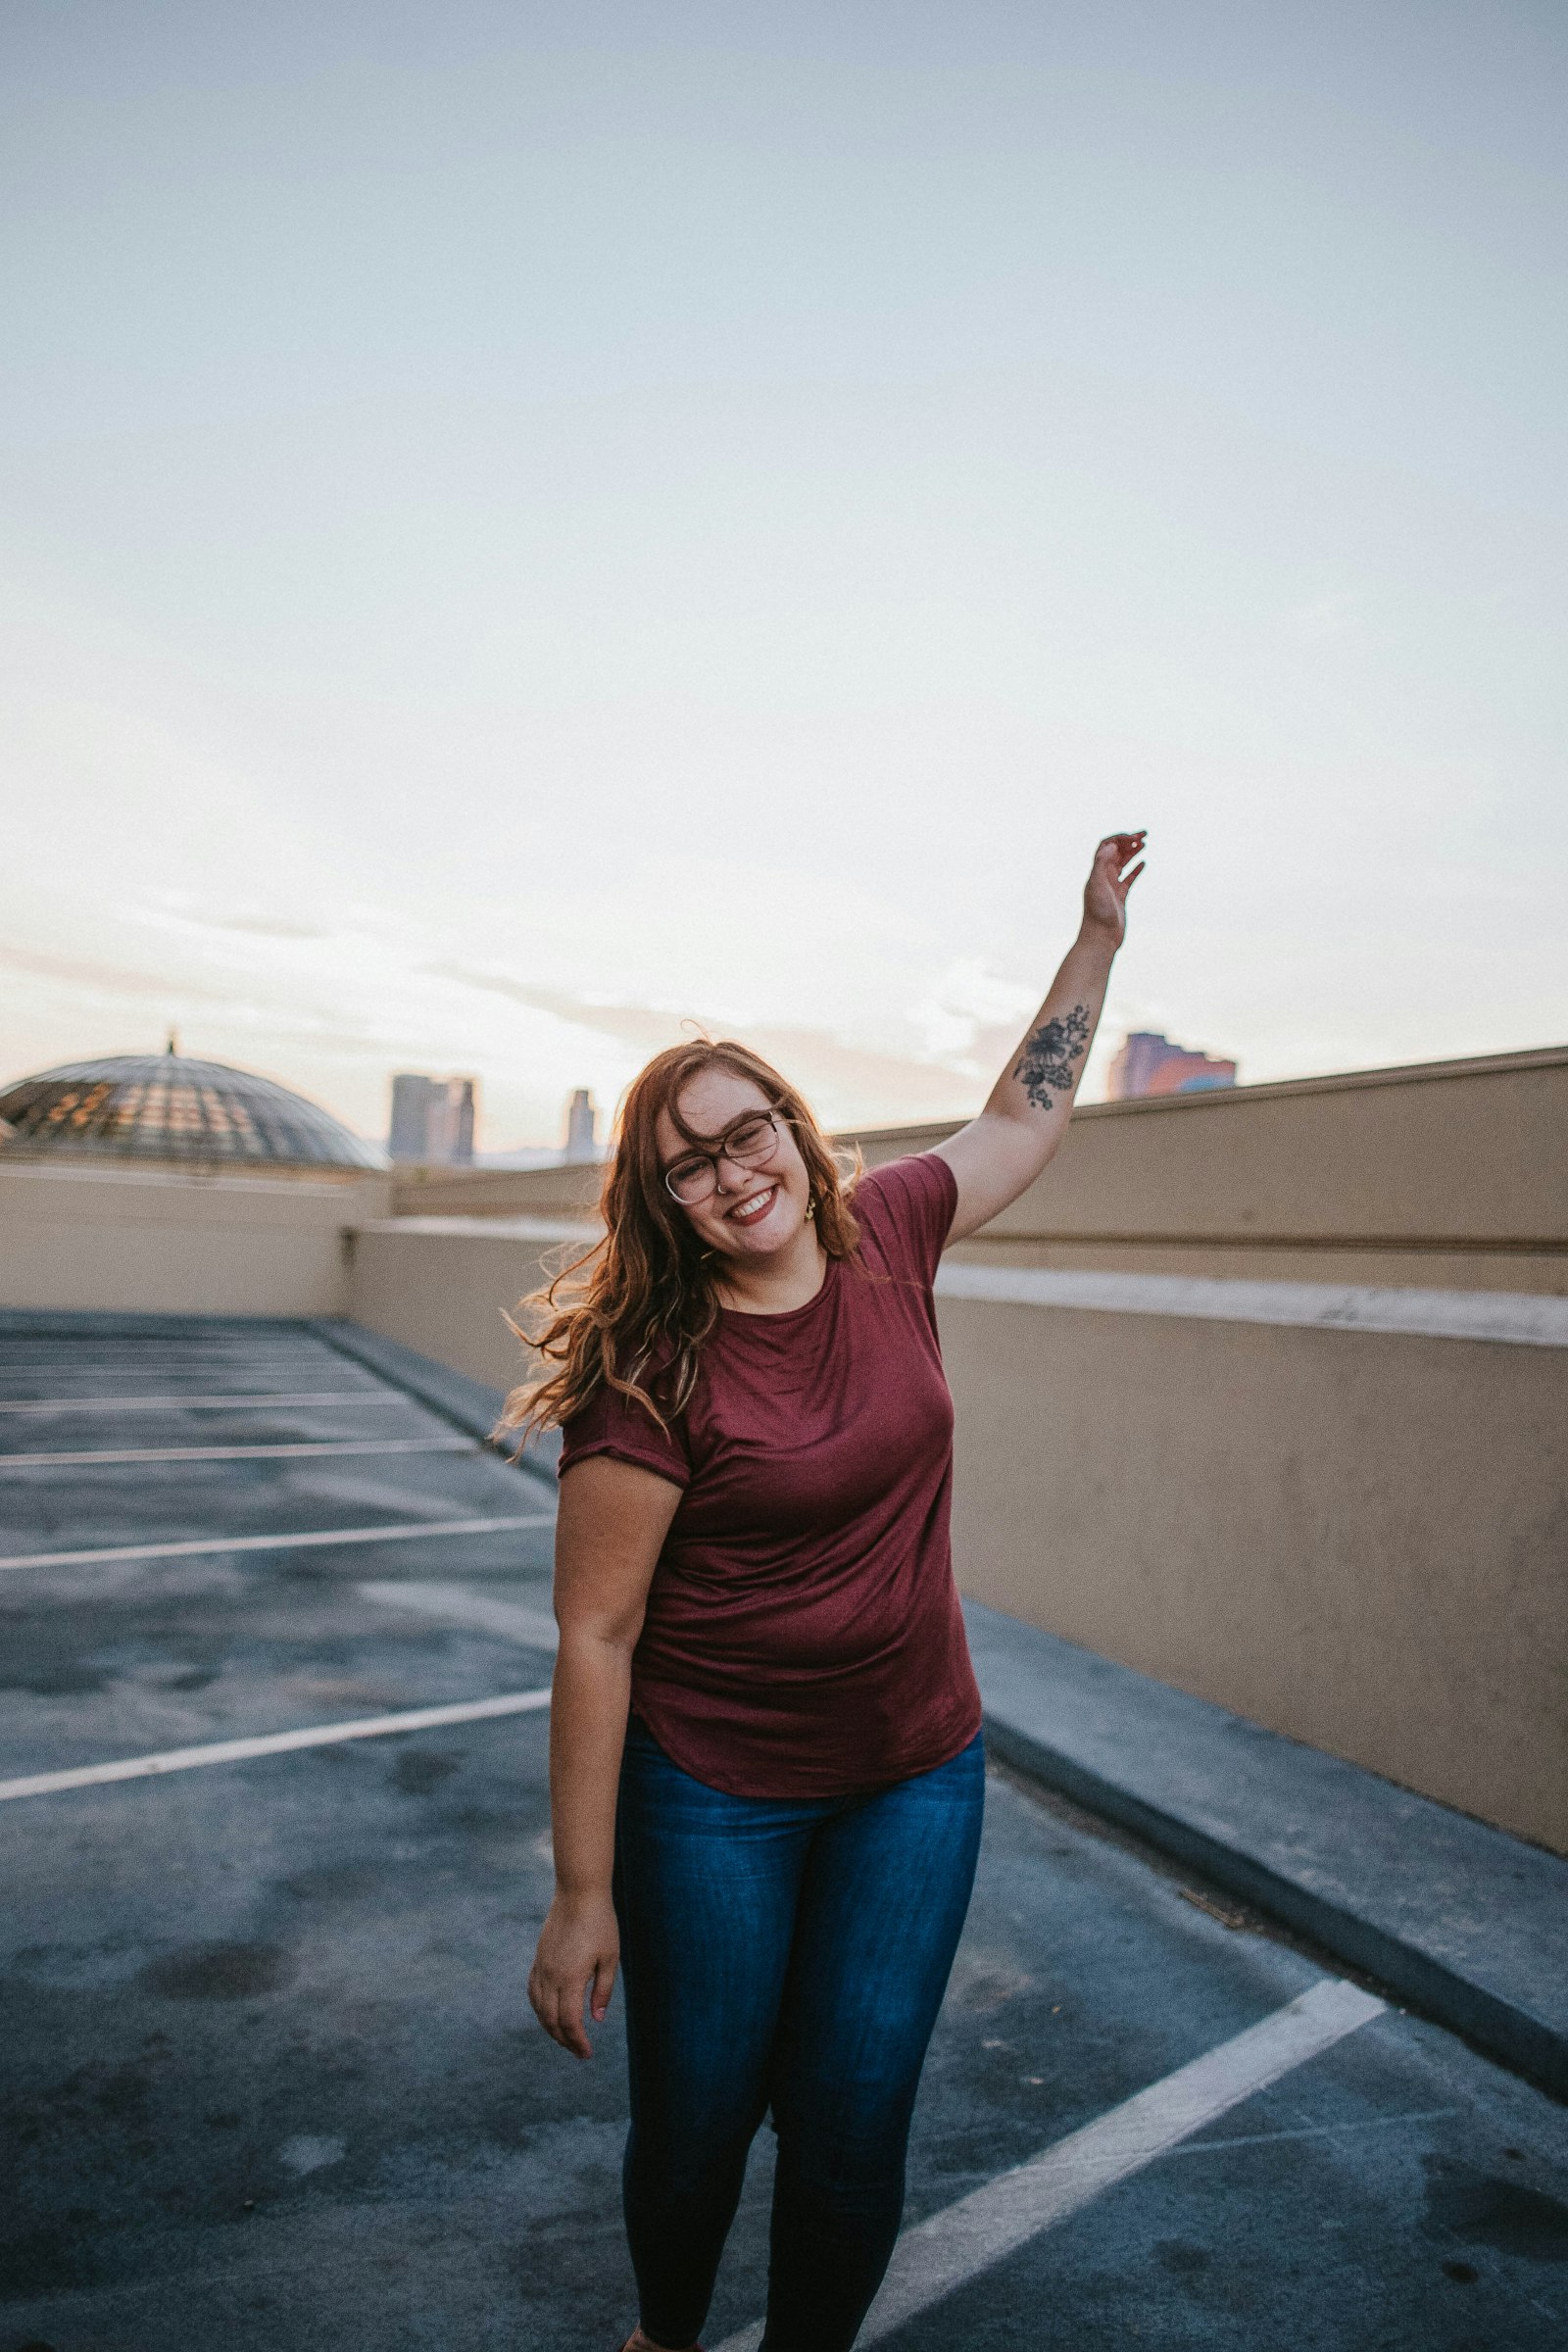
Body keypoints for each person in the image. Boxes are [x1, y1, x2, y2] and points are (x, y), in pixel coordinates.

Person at [503, 831, 1146, 2352]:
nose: (736, 1176)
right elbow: (594, 1636)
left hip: (916, 1772)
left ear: (794, 1127)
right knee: (702, 2123)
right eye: (693, 1166)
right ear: (663, 1203)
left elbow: (1021, 1114)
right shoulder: (650, 1372)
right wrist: (582, 1895)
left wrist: (1097, 943)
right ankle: (665, 2334)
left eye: (750, 1134)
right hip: (714, 1792)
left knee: (855, 2122)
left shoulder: (890, 1234)